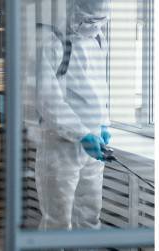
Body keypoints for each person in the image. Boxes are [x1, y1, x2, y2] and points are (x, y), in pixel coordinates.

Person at [35, 0, 111, 230]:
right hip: (61, 146)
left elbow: (100, 87)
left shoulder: (98, 40)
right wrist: (81, 134)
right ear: (71, 10)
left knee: (89, 215)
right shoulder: (52, 44)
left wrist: (104, 124)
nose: (93, 26)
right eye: (88, 20)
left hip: (94, 144)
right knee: (57, 219)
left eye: (99, 21)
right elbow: (49, 101)